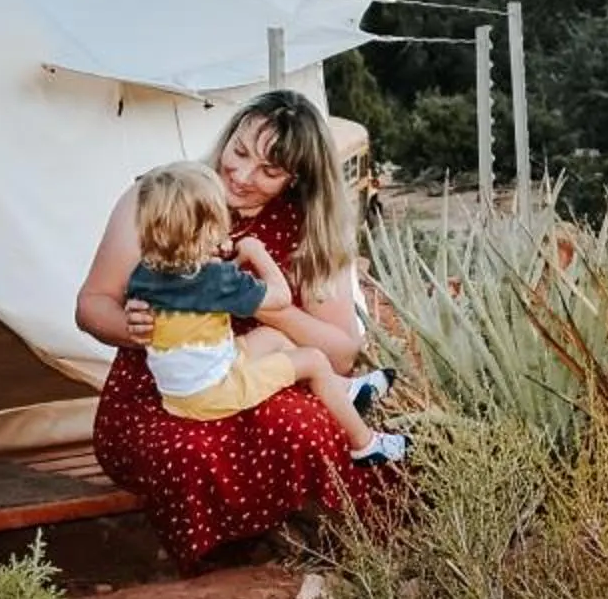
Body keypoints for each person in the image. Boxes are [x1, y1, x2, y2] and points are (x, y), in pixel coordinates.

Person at [79, 90, 399, 565]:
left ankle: (333, 546)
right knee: (189, 452)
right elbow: (91, 305)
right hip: (162, 391)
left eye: (269, 171)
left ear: (296, 180)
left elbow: (341, 354)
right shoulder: (164, 196)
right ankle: (228, 565)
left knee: (303, 425)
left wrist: (263, 303)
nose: (243, 175)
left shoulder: (306, 228)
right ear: (227, 137)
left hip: (254, 378)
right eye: (240, 152)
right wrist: (134, 327)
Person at [128, 161, 404, 463]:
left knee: (272, 336)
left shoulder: (146, 272)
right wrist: (256, 252)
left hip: (182, 390)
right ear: (206, 228)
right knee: (312, 360)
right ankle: (365, 444)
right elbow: (280, 298)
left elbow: (199, 295)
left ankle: (343, 389)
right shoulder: (217, 280)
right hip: (213, 392)